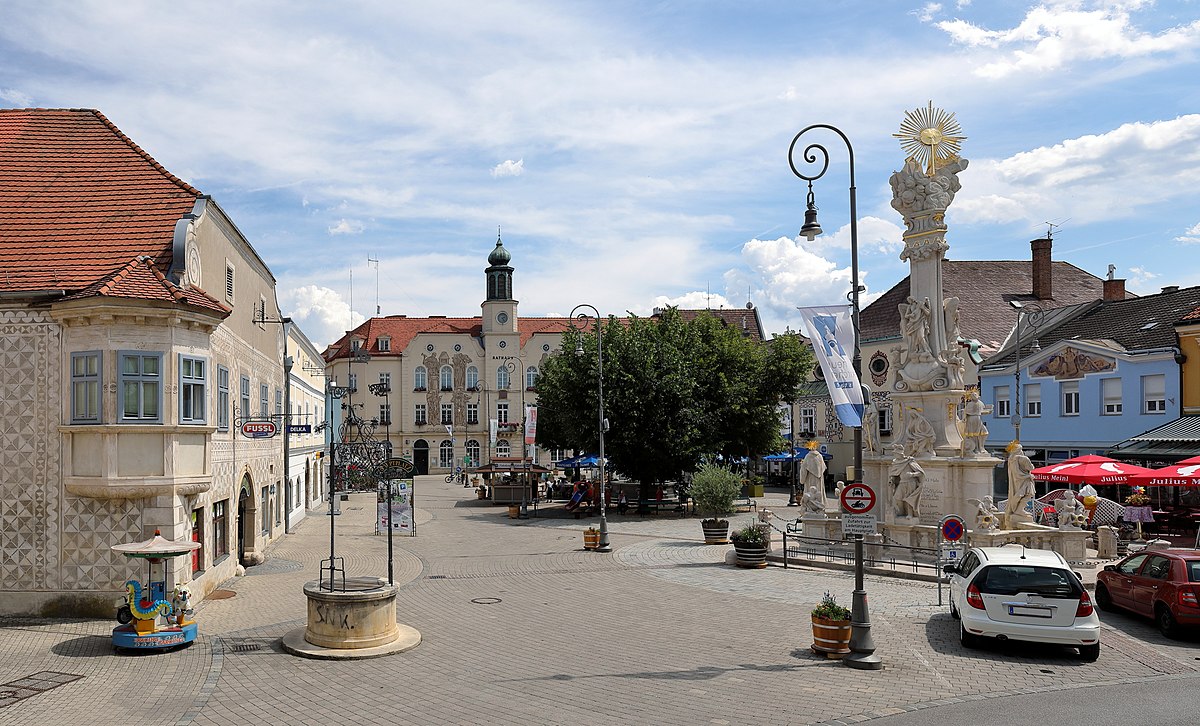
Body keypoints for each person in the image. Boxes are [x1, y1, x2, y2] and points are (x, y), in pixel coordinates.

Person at [1004, 442, 1036, 526]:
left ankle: (1018, 510)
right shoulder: (1023, 458)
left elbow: (1016, 473)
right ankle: (1019, 510)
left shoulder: (1011, 459)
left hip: (1016, 481)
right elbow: (1031, 467)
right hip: (1025, 480)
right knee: (1028, 494)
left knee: (1019, 495)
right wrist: (1028, 475)